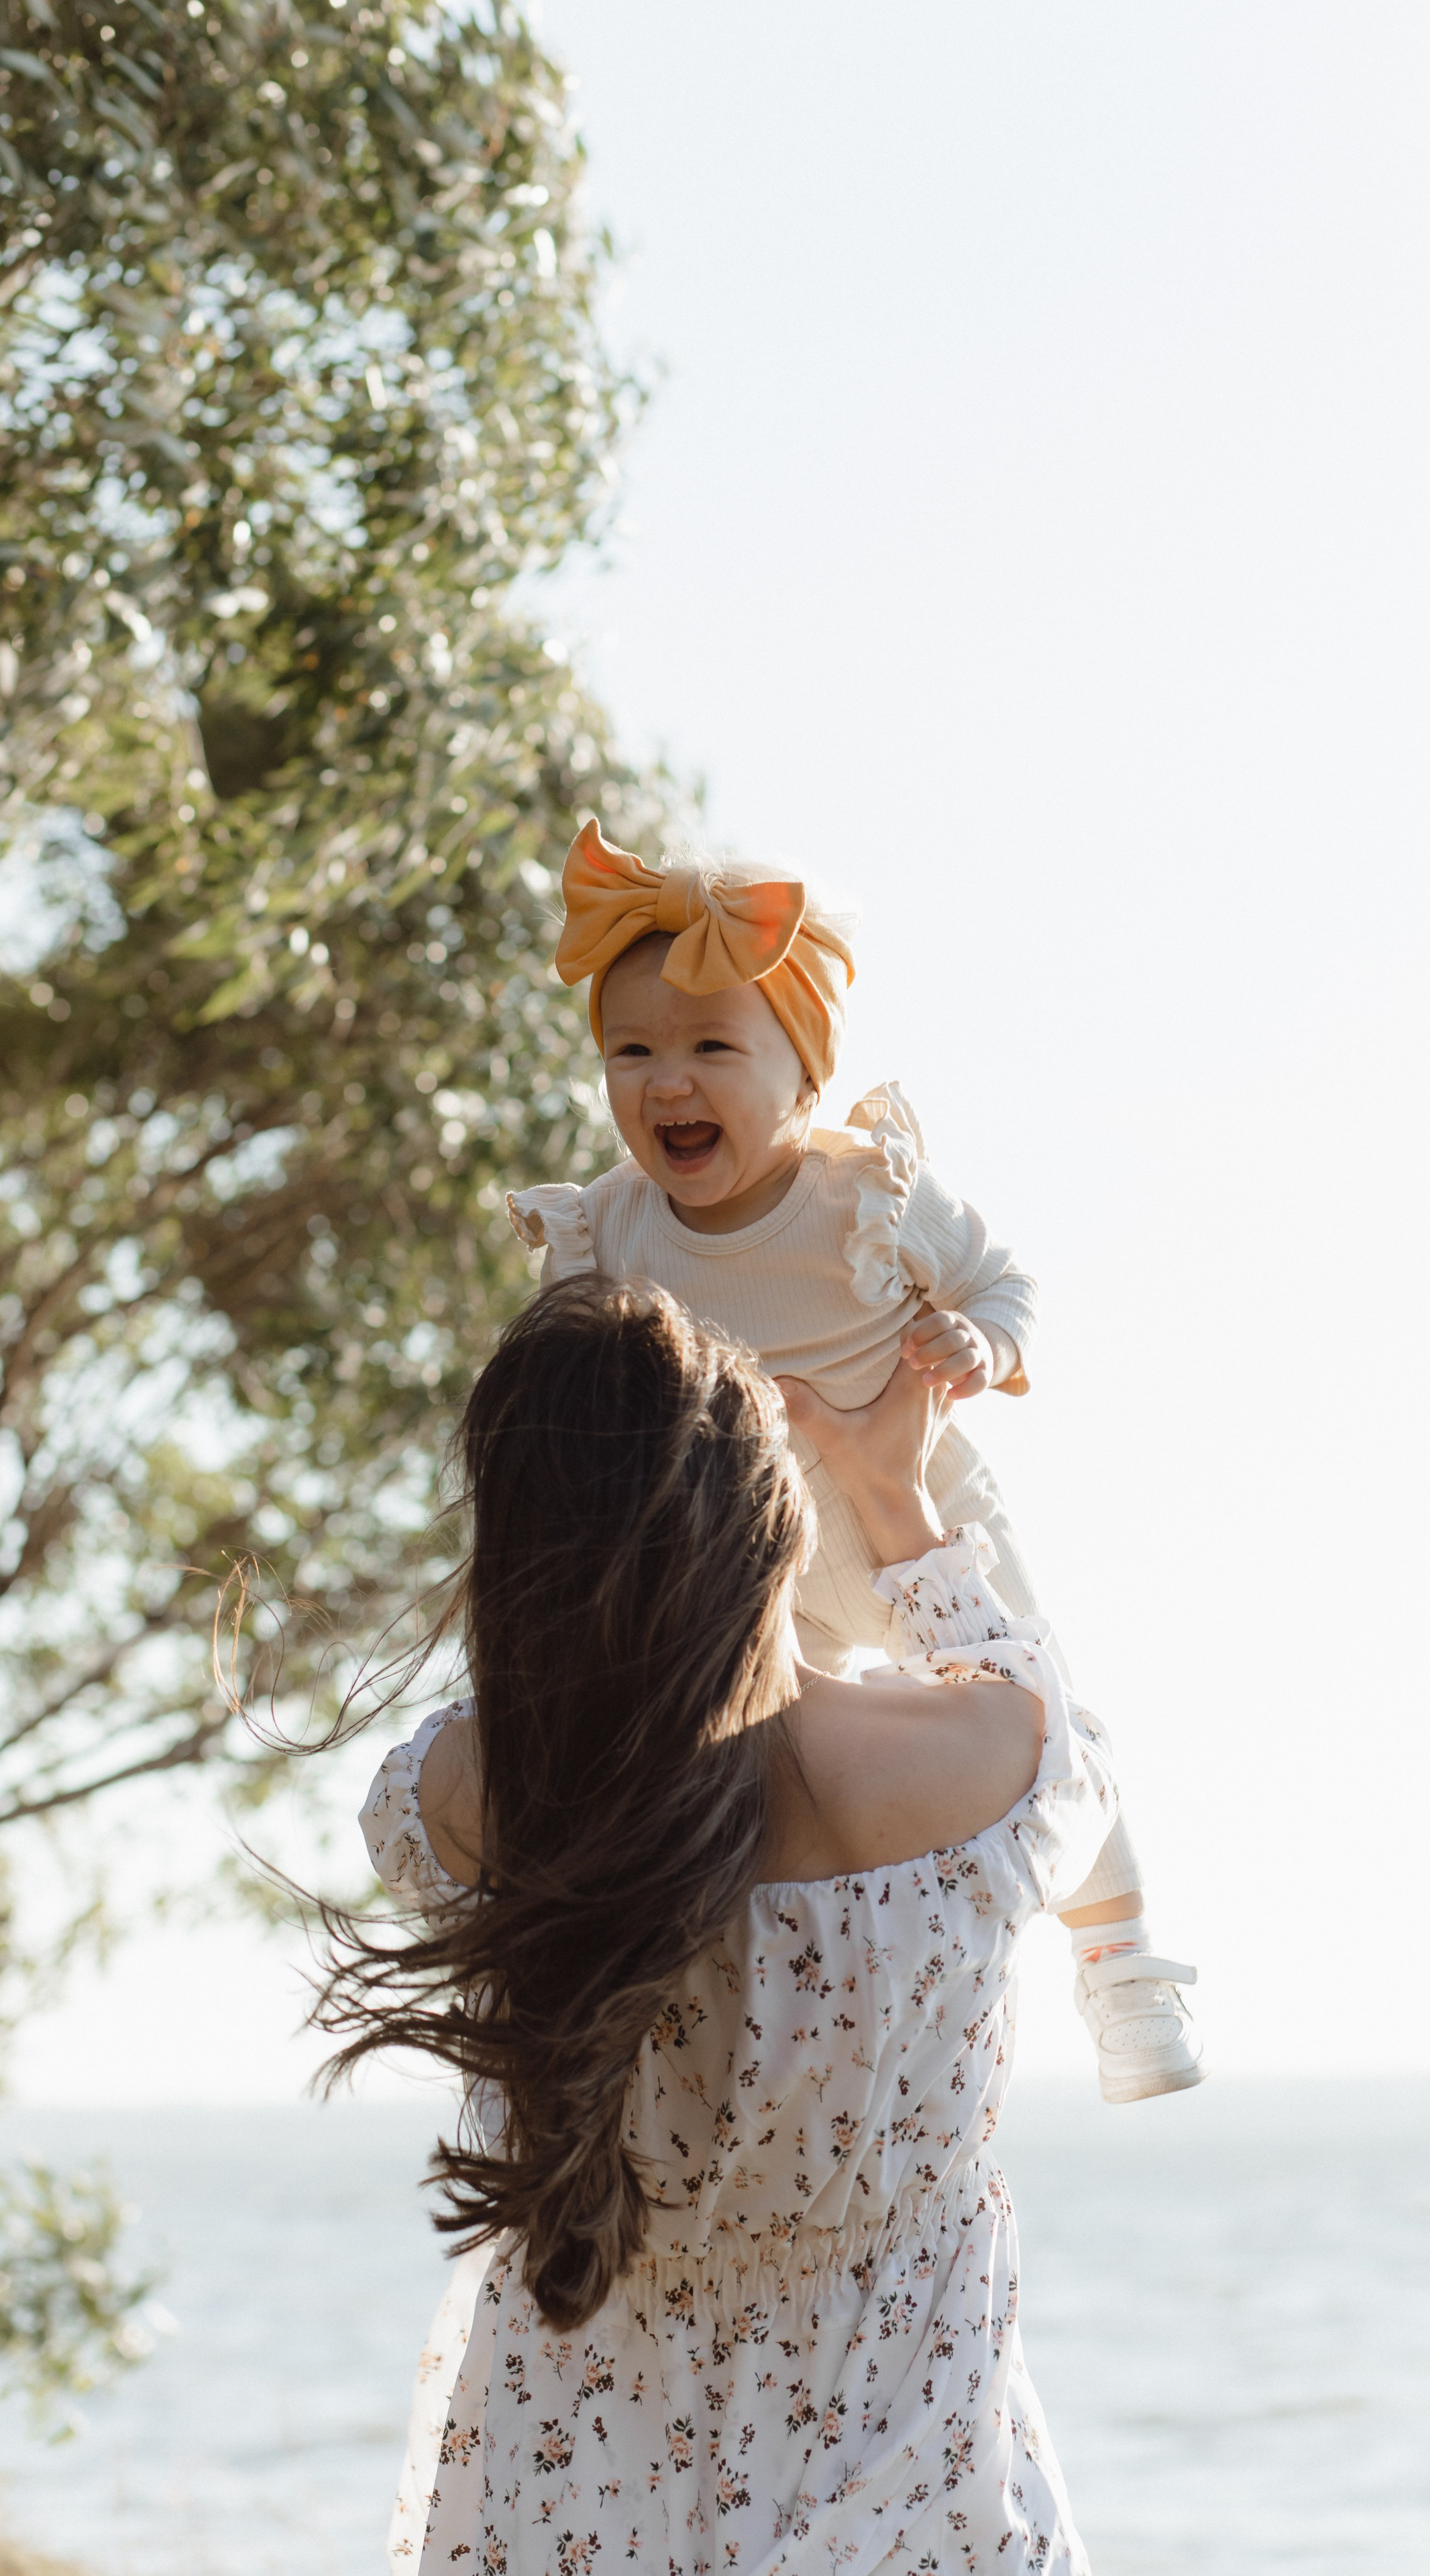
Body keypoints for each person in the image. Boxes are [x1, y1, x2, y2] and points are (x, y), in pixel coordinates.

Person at [329, 1277, 1130, 2572]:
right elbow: (1066, 1746)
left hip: (575, 2478)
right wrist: (901, 1505)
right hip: (907, 2487)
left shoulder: (463, 1804)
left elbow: (537, 1727)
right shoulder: (980, 1768)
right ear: (777, 1524)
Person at [504, 820, 1203, 2105]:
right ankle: (759, 2035)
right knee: (770, 1786)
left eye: (713, 1047)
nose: (668, 1081)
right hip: (735, 1555)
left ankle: (1120, 1963)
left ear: (804, 1073)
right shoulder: (608, 1225)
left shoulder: (859, 1195)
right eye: (633, 1050)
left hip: (914, 1513)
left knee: (1048, 1727)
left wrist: (976, 1347)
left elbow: (1005, 1286)